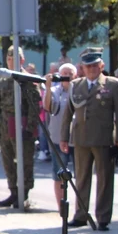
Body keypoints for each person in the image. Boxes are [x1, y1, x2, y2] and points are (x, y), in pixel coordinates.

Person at [60, 47, 118, 231]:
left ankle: (103, 217)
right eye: (87, 66)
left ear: (101, 65)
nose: (91, 69)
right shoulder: (76, 85)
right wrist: (64, 137)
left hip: (104, 139)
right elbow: (68, 114)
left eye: (95, 66)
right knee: (81, 178)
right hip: (81, 139)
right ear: (82, 67)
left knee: (104, 180)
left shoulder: (112, 85)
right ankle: (81, 215)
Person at [0, 46, 40, 209]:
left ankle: (24, 192)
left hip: (22, 125)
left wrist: (30, 128)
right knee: (7, 160)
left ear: (22, 60)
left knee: (25, 160)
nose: (11, 61)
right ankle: (13, 191)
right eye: (9, 58)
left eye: (15, 58)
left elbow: (35, 106)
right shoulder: (3, 80)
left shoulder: (27, 80)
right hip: (5, 124)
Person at [43, 63, 77, 212]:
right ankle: (61, 208)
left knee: (81, 177)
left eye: (70, 73)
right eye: (64, 72)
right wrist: (48, 87)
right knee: (59, 175)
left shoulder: (78, 90)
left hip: (77, 140)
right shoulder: (55, 91)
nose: (67, 75)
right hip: (57, 138)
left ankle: (79, 209)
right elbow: (47, 107)